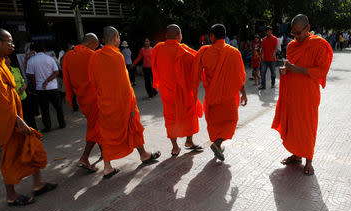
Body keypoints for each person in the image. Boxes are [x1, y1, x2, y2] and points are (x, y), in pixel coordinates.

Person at [0, 28, 57, 206]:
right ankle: (11, 195)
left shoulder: (0, 62)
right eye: (9, 41)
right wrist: (17, 119)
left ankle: (38, 183)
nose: (13, 45)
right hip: (6, 119)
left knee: (28, 146)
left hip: (13, 116)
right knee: (10, 156)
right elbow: (0, 100)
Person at [89, 26, 161, 178]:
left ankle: (109, 166)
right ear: (116, 38)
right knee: (133, 126)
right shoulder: (117, 56)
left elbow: (92, 81)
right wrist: (131, 106)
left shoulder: (95, 56)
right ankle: (143, 155)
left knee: (107, 134)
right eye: (119, 37)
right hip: (121, 103)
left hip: (105, 103)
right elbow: (125, 84)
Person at [271, 14, 333, 175]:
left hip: (308, 95)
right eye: (294, 33)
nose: (296, 37)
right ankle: (296, 155)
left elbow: (321, 71)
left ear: (308, 28)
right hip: (292, 94)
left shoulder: (319, 45)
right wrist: (285, 71)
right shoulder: (291, 46)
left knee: (307, 126)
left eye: (299, 33)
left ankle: (309, 160)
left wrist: (295, 69)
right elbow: (291, 68)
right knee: (293, 126)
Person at [192, 24, 247, 161]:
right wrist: (244, 93)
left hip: (212, 96)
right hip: (228, 97)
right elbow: (240, 76)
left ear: (212, 36)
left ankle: (217, 144)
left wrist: (193, 94)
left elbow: (195, 75)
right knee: (231, 121)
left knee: (215, 123)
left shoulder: (204, 52)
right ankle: (217, 143)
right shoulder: (235, 52)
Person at [152, 24, 203, 157]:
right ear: (178, 35)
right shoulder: (184, 50)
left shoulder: (157, 48)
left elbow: (154, 67)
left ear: (165, 36)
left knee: (170, 118)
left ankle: (175, 148)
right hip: (184, 92)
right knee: (189, 114)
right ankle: (189, 141)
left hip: (167, 92)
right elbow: (198, 62)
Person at [62, 33, 101, 172]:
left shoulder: (67, 55)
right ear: (91, 43)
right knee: (95, 126)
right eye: (95, 46)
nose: (95, 49)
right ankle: (84, 157)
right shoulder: (92, 55)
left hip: (81, 98)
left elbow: (65, 78)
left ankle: (104, 152)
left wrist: (70, 96)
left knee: (96, 124)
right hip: (95, 97)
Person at [26, 42, 66, 132]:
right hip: (53, 87)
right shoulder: (50, 59)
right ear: (44, 50)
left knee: (44, 109)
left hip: (40, 89)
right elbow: (56, 72)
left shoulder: (31, 61)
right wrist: (47, 81)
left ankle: (48, 127)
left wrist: (38, 85)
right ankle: (62, 124)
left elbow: (30, 75)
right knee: (58, 107)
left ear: (34, 50)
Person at [5, 54, 38, 130]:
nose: (5, 60)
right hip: (14, 101)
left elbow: (23, 81)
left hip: (24, 97)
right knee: (20, 120)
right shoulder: (2, 73)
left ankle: (35, 133)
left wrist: (23, 87)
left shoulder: (16, 69)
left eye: (6, 58)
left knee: (30, 117)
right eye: (3, 59)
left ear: (9, 60)